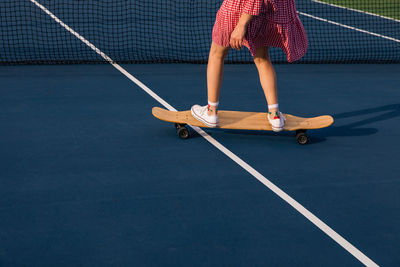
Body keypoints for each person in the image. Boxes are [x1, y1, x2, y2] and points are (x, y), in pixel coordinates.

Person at [191, 0, 308, 132]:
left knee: (216, 55)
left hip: (237, 11)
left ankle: (211, 113)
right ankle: (275, 116)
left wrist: (241, 25)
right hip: (264, 15)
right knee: (262, 59)